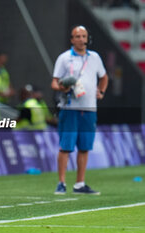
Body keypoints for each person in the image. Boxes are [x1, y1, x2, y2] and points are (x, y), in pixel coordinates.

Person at [51, 26, 108, 195]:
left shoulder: (95, 57)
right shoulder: (64, 58)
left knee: (84, 147)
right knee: (66, 147)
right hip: (70, 108)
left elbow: (104, 77)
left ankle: (79, 183)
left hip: (89, 108)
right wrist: (62, 88)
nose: (81, 39)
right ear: (72, 39)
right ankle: (61, 182)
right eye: (78, 36)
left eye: (84, 36)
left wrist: (101, 91)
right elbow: (54, 82)